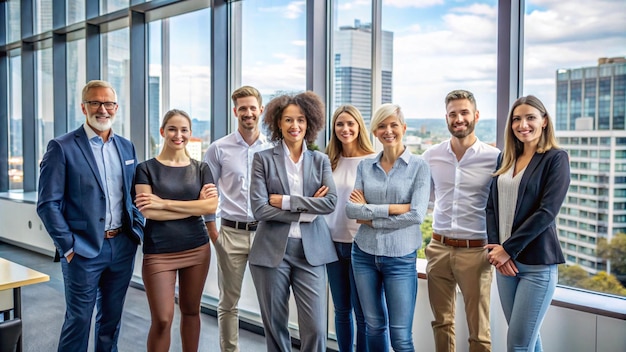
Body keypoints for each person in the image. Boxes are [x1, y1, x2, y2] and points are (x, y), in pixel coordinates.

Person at [37, 80, 144, 351]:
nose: (102, 109)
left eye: (108, 103)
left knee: (111, 320)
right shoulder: (61, 147)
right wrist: (69, 246)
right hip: (83, 249)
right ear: (83, 107)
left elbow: (133, 196)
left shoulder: (126, 147)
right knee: (79, 320)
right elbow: (47, 203)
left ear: (116, 107)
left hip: (121, 246)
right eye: (95, 102)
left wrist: (137, 231)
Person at [249, 91, 338, 352]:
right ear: (278, 123)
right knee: (275, 325)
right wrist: (310, 209)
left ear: (309, 123)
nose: (294, 126)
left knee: (316, 329)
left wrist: (287, 201)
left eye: (300, 120)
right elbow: (260, 209)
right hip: (271, 251)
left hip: (311, 253)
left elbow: (330, 203)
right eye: (288, 120)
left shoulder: (320, 160)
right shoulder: (262, 159)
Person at [485, 95, 570, 352]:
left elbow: (546, 212)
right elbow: (491, 207)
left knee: (518, 345)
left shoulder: (556, 158)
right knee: (527, 341)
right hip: (505, 264)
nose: (523, 124)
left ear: (544, 121)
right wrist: (495, 250)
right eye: (517, 119)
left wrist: (507, 249)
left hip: (536, 266)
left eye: (530, 117)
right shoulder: (506, 158)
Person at [346, 103, 430, 352]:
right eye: (382, 125)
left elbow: (416, 215)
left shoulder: (419, 167)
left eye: (393, 124)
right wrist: (394, 208)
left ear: (403, 128)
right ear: (375, 131)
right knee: (373, 326)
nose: (388, 130)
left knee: (401, 336)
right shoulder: (365, 166)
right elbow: (352, 211)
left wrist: (370, 217)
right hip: (363, 255)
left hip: (400, 258)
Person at [422, 90, 500, 352]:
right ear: (446, 118)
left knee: (479, 331)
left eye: (464, 112)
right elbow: (423, 197)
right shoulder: (431, 156)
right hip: (439, 248)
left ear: (476, 116)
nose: (459, 118)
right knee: (441, 323)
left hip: (476, 251)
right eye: (453, 114)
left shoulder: (495, 157)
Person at [134, 109, 217, 352]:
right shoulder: (145, 169)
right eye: (172, 129)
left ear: (190, 134)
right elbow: (149, 212)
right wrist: (194, 207)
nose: (177, 135)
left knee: (191, 312)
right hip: (159, 252)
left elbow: (211, 205)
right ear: (162, 132)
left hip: (197, 249)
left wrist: (164, 202)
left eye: (183, 130)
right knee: (162, 319)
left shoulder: (202, 169)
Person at [202, 85, 272, 352]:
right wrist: (214, 233)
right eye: (242, 108)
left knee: (271, 301)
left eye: (252, 107)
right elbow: (208, 193)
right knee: (228, 303)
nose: (248, 113)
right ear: (235, 111)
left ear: (261, 110)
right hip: (229, 234)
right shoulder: (218, 149)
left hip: (265, 234)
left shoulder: (274, 148)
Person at [324, 104, 376, 352]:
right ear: (334, 128)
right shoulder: (328, 161)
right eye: (340, 124)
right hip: (331, 243)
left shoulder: (373, 160)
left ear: (359, 127)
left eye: (350, 123)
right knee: (341, 310)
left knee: (363, 314)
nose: (345, 129)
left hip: (362, 245)